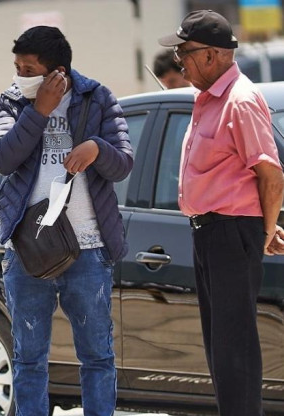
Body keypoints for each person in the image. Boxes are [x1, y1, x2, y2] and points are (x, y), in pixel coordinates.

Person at [0, 26, 133, 416]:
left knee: (97, 357)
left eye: (29, 68)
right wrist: (39, 112)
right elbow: (1, 159)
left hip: (88, 248)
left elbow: (122, 164)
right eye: (17, 66)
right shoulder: (15, 101)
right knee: (29, 358)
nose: (20, 75)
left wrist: (96, 148)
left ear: (58, 72)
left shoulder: (96, 98)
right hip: (28, 250)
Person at [158, 10, 284, 415]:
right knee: (220, 347)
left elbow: (270, 173)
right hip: (210, 233)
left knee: (234, 348)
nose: (180, 63)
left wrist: (264, 230)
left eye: (185, 54)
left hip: (231, 232)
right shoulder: (207, 99)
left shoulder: (240, 100)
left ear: (212, 55)